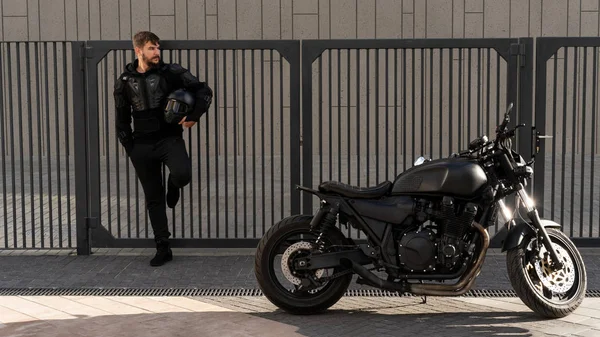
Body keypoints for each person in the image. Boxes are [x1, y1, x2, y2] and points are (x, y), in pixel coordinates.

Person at [113, 31, 213, 266]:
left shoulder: (172, 72)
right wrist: (130, 148)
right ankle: (163, 247)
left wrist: (194, 116)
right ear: (138, 50)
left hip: (169, 139)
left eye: (158, 48)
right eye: (151, 48)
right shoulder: (124, 81)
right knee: (153, 199)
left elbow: (203, 90)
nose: (157, 52)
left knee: (182, 174)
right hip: (141, 145)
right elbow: (121, 118)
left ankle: (173, 184)